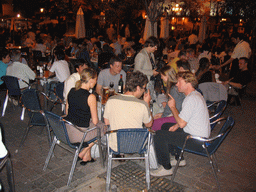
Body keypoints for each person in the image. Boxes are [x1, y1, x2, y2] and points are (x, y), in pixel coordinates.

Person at [151, 71, 210, 177]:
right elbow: (185, 119)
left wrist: (172, 107)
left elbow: (182, 123)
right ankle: (179, 158)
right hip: (196, 134)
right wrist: (176, 125)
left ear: (188, 83)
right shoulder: (195, 95)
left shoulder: (191, 99)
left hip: (196, 140)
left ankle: (166, 167)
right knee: (166, 126)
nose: (176, 84)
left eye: (179, 82)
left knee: (160, 135)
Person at [64, 68, 106, 165]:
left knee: (91, 124)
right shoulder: (91, 97)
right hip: (80, 134)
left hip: (68, 130)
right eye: (96, 79)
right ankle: (83, 151)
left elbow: (66, 112)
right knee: (104, 127)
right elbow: (95, 122)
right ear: (91, 80)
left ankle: (87, 157)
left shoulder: (71, 91)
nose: (96, 82)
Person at [104, 71, 153, 151]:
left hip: (115, 146)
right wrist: (147, 103)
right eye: (144, 88)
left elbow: (107, 122)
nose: (144, 91)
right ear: (137, 88)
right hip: (137, 145)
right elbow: (149, 124)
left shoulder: (111, 100)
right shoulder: (143, 105)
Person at [152, 66, 186, 131]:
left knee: (154, 123)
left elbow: (173, 107)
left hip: (176, 116)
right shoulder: (174, 87)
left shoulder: (174, 89)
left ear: (167, 75)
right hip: (176, 114)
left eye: (162, 76)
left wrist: (162, 115)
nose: (161, 78)